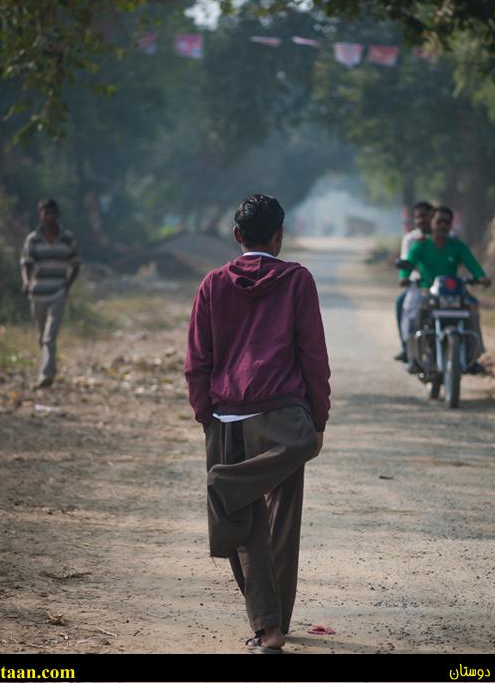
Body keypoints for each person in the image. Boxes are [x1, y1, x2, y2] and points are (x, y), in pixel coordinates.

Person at [184, 194, 331, 654]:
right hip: (286, 417)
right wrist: (319, 418)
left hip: (229, 416)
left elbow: (197, 361)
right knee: (283, 523)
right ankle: (271, 625)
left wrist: (206, 416)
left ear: (236, 236)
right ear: (279, 236)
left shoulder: (212, 283)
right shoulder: (297, 280)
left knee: (243, 526)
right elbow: (313, 355)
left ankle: (271, 626)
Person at [399, 205, 491, 374]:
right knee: (414, 316)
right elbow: (408, 263)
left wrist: (481, 277)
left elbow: (471, 263)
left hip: (454, 293)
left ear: (451, 225)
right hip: (428, 292)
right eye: (439, 221)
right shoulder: (421, 245)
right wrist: (403, 277)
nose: (443, 225)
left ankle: (473, 356)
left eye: (446, 222)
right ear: (431, 223)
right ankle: (415, 356)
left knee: (472, 307)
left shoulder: (457, 246)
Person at [20, 199, 81, 389]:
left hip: (58, 292)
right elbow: (26, 264)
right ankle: (50, 368)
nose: (50, 217)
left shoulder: (67, 238)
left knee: (49, 336)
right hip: (38, 292)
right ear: (40, 215)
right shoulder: (33, 239)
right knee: (41, 336)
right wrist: (26, 282)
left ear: (58, 215)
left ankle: (45, 374)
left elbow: (76, 264)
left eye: (53, 213)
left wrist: (67, 287)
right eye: (46, 213)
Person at [394, 201, 433, 362]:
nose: (422, 220)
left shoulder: (443, 237)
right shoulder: (411, 239)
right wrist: (405, 277)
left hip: (442, 285)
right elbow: (407, 263)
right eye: (418, 217)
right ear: (414, 219)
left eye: (426, 215)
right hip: (418, 284)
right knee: (401, 303)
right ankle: (406, 347)